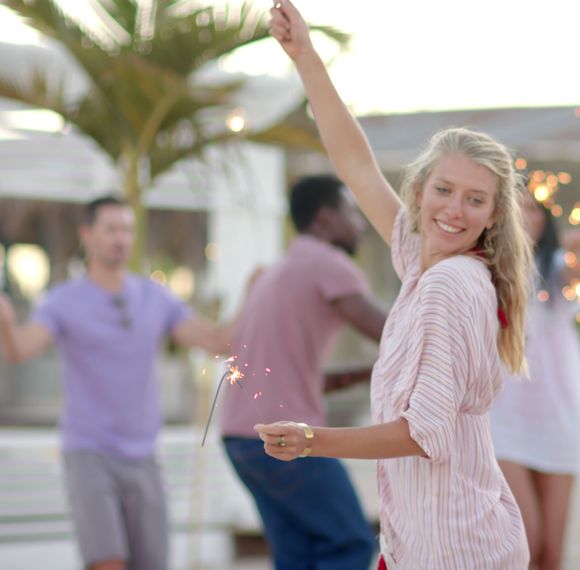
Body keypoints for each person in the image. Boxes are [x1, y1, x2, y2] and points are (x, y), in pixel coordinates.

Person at [254, 1, 533, 567]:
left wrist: (312, 441)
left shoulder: (449, 285)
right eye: (444, 190)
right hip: (433, 540)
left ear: (494, 216)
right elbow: (356, 166)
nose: (454, 210)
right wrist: (306, 57)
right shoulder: (423, 262)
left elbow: (420, 433)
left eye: (475, 200)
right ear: (421, 189)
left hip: (455, 548)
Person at [0, 196, 246, 570]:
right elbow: (19, 350)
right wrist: (4, 320)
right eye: (111, 229)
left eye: (127, 230)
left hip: (144, 455)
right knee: (108, 562)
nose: (121, 238)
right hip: (89, 453)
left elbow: (216, 342)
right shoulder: (63, 301)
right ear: (87, 235)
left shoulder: (154, 297)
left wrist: (252, 297)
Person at [219, 175, 387, 569]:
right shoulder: (328, 263)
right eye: (352, 212)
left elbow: (291, 377)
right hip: (287, 435)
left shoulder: (282, 268)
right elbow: (392, 333)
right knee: (348, 543)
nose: (360, 224)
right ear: (327, 218)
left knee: (297, 554)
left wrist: (366, 372)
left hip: (241, 438)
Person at [489, 192, 580, 570]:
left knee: (552, 553)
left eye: (535, 209)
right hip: (505, 416)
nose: (529, 216)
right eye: (519, 207)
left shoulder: (556, 265)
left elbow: (577, 288)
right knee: (527, 539)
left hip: (558, 413)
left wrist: (576, 254)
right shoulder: (486, 268)